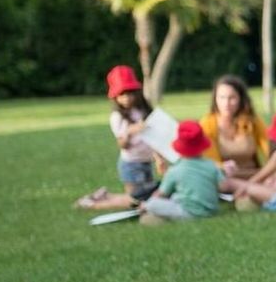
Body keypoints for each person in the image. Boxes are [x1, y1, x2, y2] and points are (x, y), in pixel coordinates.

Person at [74, 65, 160, 210]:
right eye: (122, 95)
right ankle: (92, 204)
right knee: (135, 201)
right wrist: (129, 131)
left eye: (130, 93)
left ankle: (104, 196)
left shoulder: (142, 111)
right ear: (115, 97)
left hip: (146, 161)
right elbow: (122, 145)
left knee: (148, 196)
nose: (127, 98)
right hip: (132, 165)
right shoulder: (117, 117)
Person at [138, 121, 225, 225]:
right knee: (176, 196)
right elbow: (222, 185)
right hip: (211, 210)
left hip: (189, 213)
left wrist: (146, 204)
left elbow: (161, 194)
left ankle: (148, 210)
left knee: (152, 204)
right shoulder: (210, 164)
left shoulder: (176, 169)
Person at [199, 74, 269, 180]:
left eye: (232, 98)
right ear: (215, 99)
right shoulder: (207, 124)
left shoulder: (252, 121)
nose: (226, 103)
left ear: (241, 99)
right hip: (224, 178)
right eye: (221, 98)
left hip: (255, 175)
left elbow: (270, 149)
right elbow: (209, 161)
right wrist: (222, 166)